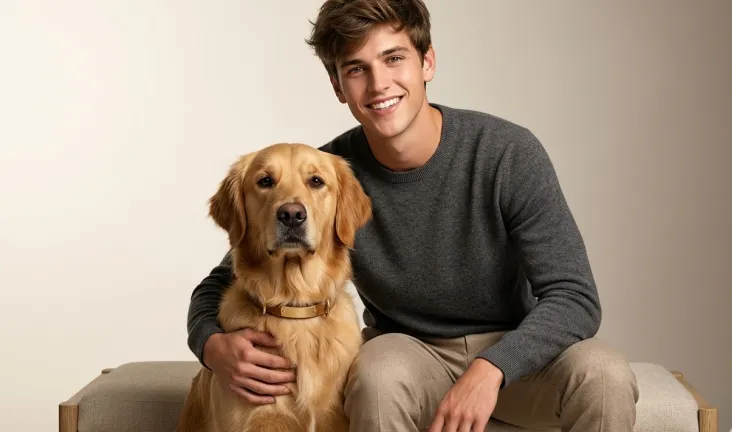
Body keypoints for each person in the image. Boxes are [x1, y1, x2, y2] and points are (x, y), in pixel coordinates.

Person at [186, 0, 639, 431]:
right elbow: (222, 281)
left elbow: (574, 296)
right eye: (357, 69)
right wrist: (212, 345)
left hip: (514, 350)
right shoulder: (323, 182)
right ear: (338, 86)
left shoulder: (507, 154)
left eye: (394, 58)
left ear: (427, 63)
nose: (379, 84)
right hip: (408, 355)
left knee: (605, 374)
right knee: (379, 377)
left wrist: (491, 368)